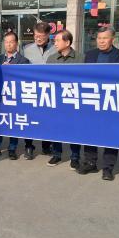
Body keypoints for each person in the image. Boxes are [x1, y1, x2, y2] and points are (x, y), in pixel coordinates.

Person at [76, 26, 119, 180]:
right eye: (99, 38)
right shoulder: (90, 55)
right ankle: (90, 162)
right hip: (92, 100)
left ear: (113, 39)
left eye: (105, 38)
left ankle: (108, 168)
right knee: (90, 132)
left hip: (112, 101)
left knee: (111, 135)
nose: (101, 41)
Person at [0, 31, 32, 160]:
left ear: (16, 43)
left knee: (13, 122)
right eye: (6, 42)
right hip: (0, 96)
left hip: (15, 97)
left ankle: (12, 148)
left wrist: (11, 70)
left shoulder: (23, 60)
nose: (8, 44)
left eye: (11, 42)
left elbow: (26, 79)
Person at [46, 29, 83, 168]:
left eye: (57, 40)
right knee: (56, 127)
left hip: (73, 100)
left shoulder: (81, 58)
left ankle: (75, 156)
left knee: (75, 128)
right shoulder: (51, 59)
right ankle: (56, 154)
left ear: (67, 42)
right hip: (56, 100)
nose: (54, 43)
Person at [23, 22, 57, 156]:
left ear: (48, 35)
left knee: (48, 119)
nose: (37, 38)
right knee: (29, 118)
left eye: (41, 36)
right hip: (31, 90)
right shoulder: (27, 49)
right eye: (35, 35)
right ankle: (29, 145)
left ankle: (46, 145)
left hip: (49, 90)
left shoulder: (56, 48)